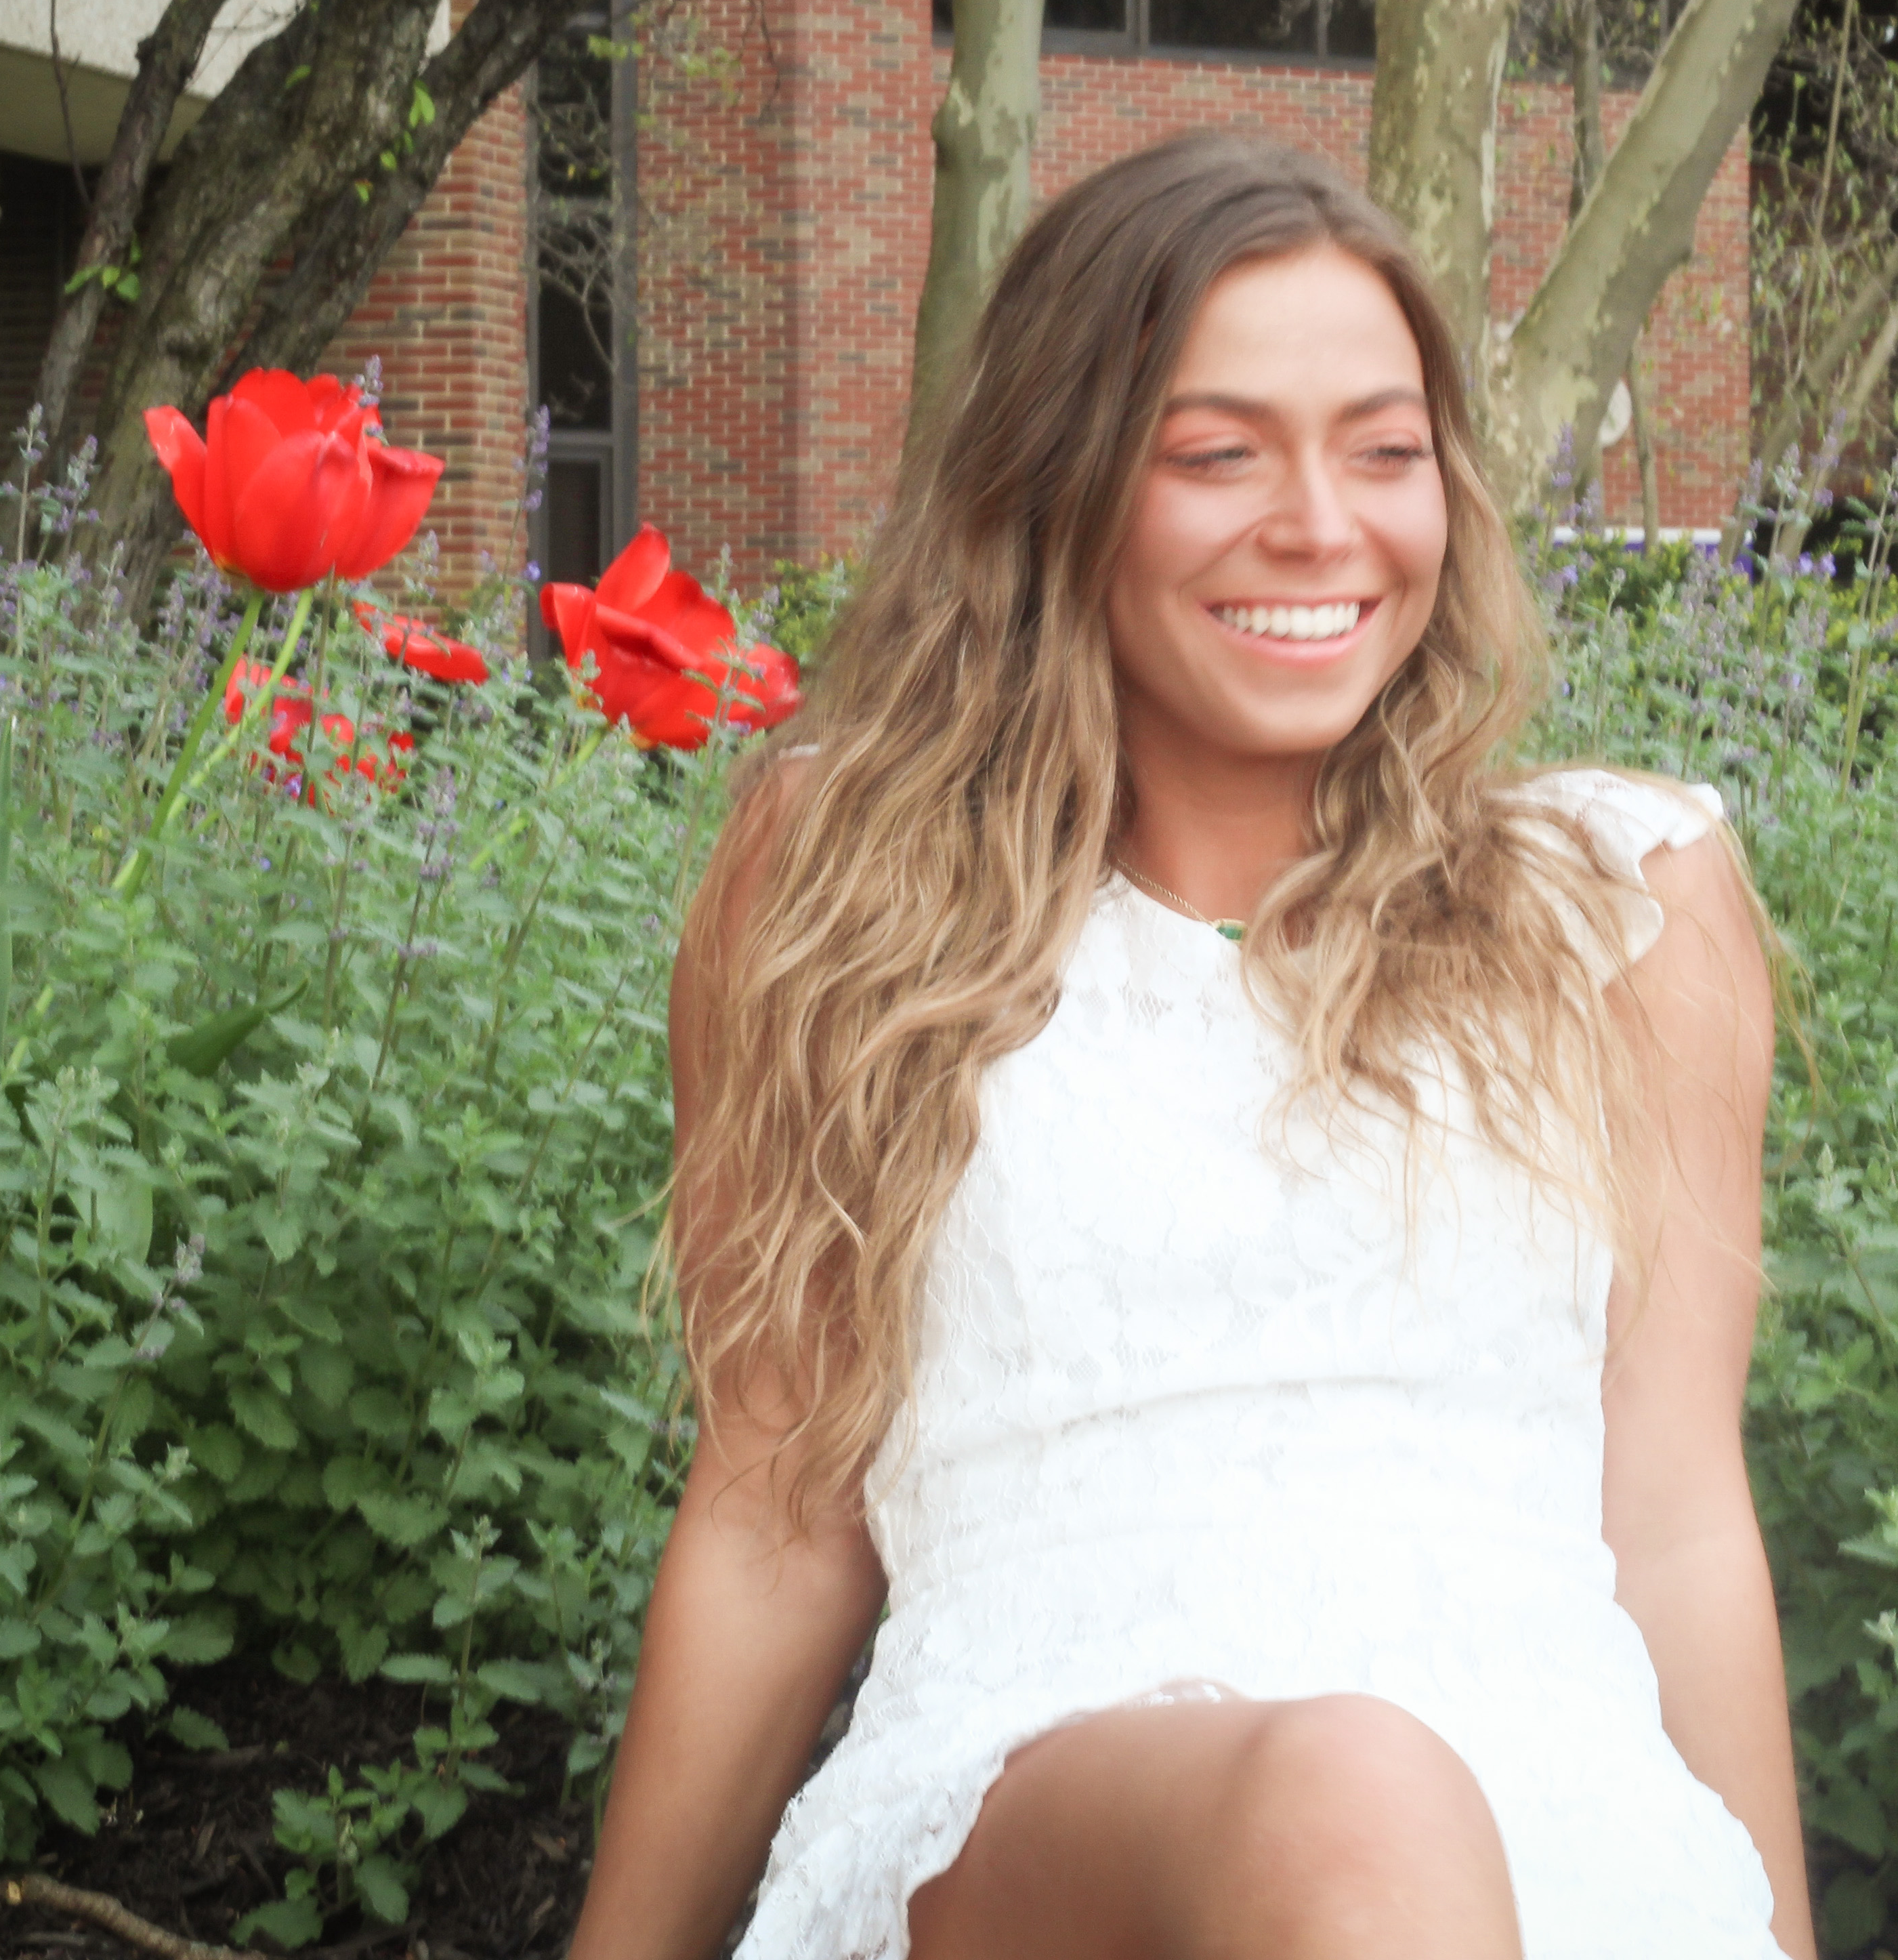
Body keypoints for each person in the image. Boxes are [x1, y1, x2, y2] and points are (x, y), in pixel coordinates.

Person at [566, 133, 1811, 1960]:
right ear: (1058, 481)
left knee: (1400, 1820)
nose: (1319, 525)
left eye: (1383, 451)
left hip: (1577, 1830)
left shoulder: (1622, 906)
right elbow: (776, 1512)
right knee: (1356, 1801)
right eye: (1218, 455)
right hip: (1036, 1813)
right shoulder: (852, 884)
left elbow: (1680, 1516)